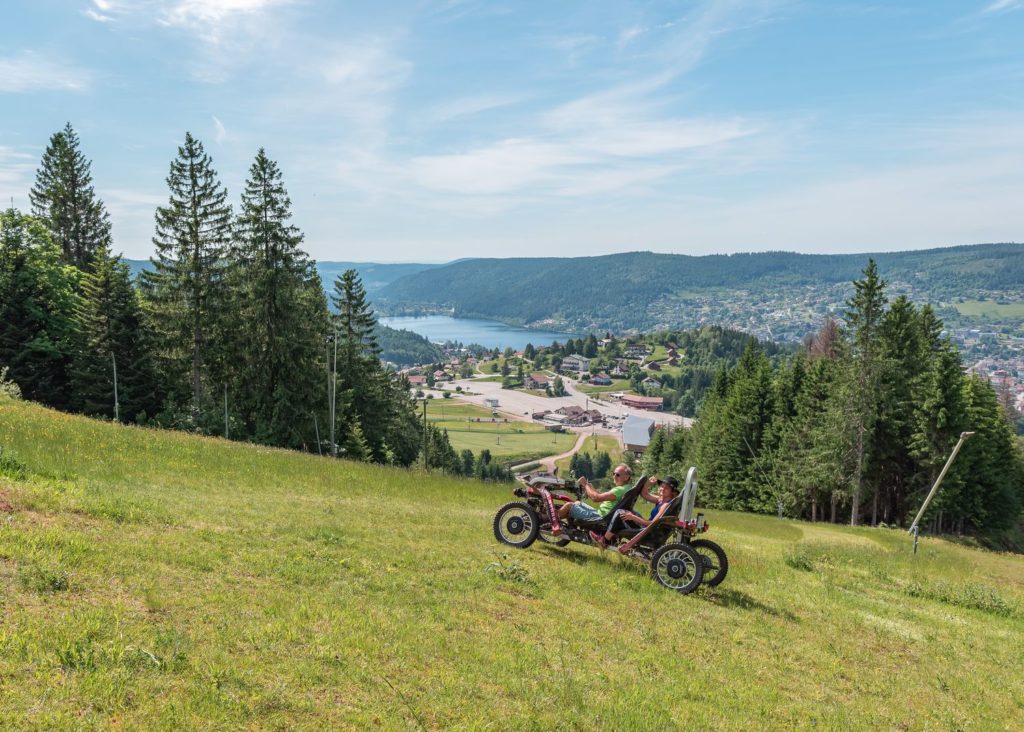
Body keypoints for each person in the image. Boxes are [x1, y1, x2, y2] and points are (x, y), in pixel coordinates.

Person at [592, 475, 680, 548]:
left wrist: (633, 517)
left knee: (620, 512)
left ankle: (604, 540)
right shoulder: (660, 500)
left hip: (648, 531)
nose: (662, 489)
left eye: (666, 488)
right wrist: (648, 484)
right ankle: (613, 537)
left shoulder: (665, 505)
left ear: (673, 492)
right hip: (647, 529)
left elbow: (652, 524)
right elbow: (644, 494)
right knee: (627, 511)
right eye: (661, 486)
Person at [557, 463, 634, 526]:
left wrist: (585, 484)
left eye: (617, 475)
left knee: (569, 505)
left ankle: (550, 522)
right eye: (614, 474)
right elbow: (601, 497)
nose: (614, 476)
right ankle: (569, 526)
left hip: (600, 518)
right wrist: (591, 488)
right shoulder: (627, 488)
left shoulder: (619, 490)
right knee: (577, 503)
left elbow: (595, 498)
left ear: (626, 477)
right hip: (604, 515)